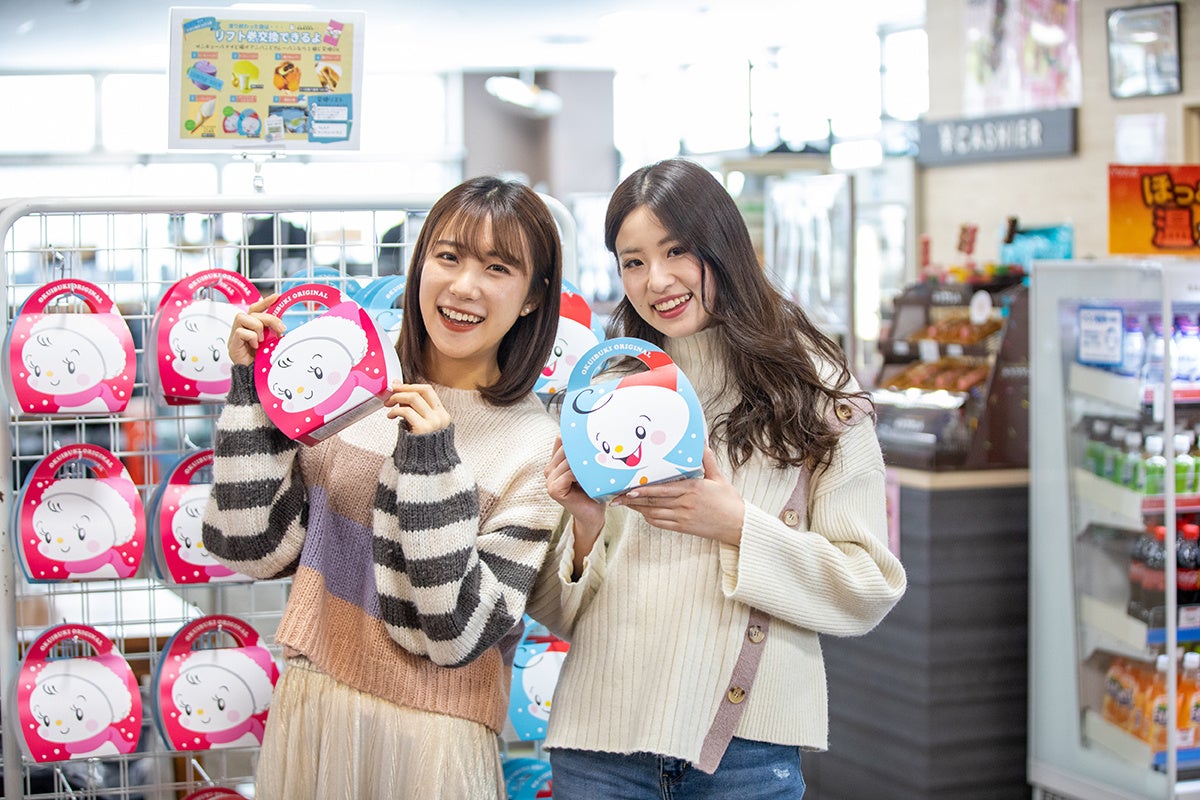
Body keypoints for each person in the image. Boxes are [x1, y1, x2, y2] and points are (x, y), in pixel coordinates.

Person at [529, 158, 907, 799]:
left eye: (677, 250)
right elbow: (558, 614)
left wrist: (737, 527)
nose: (658, 280)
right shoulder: (608, 394)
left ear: (724, 246)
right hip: (597, 748)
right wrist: (586, 529)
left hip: (743, 756)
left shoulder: (816, 392)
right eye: (634, 261)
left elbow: (868, 586)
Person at [201, 176, 565, 800]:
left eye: (497, 268)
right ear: (419, 264)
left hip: (434, 740)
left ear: (533, 297)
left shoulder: (534, 446)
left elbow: (455, 633)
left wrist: (431, 466)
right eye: (448, 256)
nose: (464, 286)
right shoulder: (351, 386)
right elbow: (250, 547)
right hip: (315, 706)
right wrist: (253, 390)